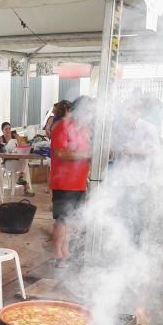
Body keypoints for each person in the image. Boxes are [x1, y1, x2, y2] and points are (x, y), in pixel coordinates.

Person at [49, 95, 94, 267]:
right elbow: (60, 152)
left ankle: (66, 251)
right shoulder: (62, 126)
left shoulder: (84, 129)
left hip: (79, 181)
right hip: (64, 181)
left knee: (72, 219)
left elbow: (89, 150)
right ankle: (58, 255)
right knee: (62, 219)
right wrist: (85, 155)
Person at [110, 97, 160, 243]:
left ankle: (137, 239)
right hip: (119, 175)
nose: (126, 113)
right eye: (125, 109)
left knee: (136, 210)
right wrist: (112, 152)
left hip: (138, 177)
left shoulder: (148, 128)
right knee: (120, 209)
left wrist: (135, 151)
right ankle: (121, 238)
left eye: (130, 110)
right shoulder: (119, 127)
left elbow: (156, 150)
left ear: (138, 111)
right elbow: (114, 146)